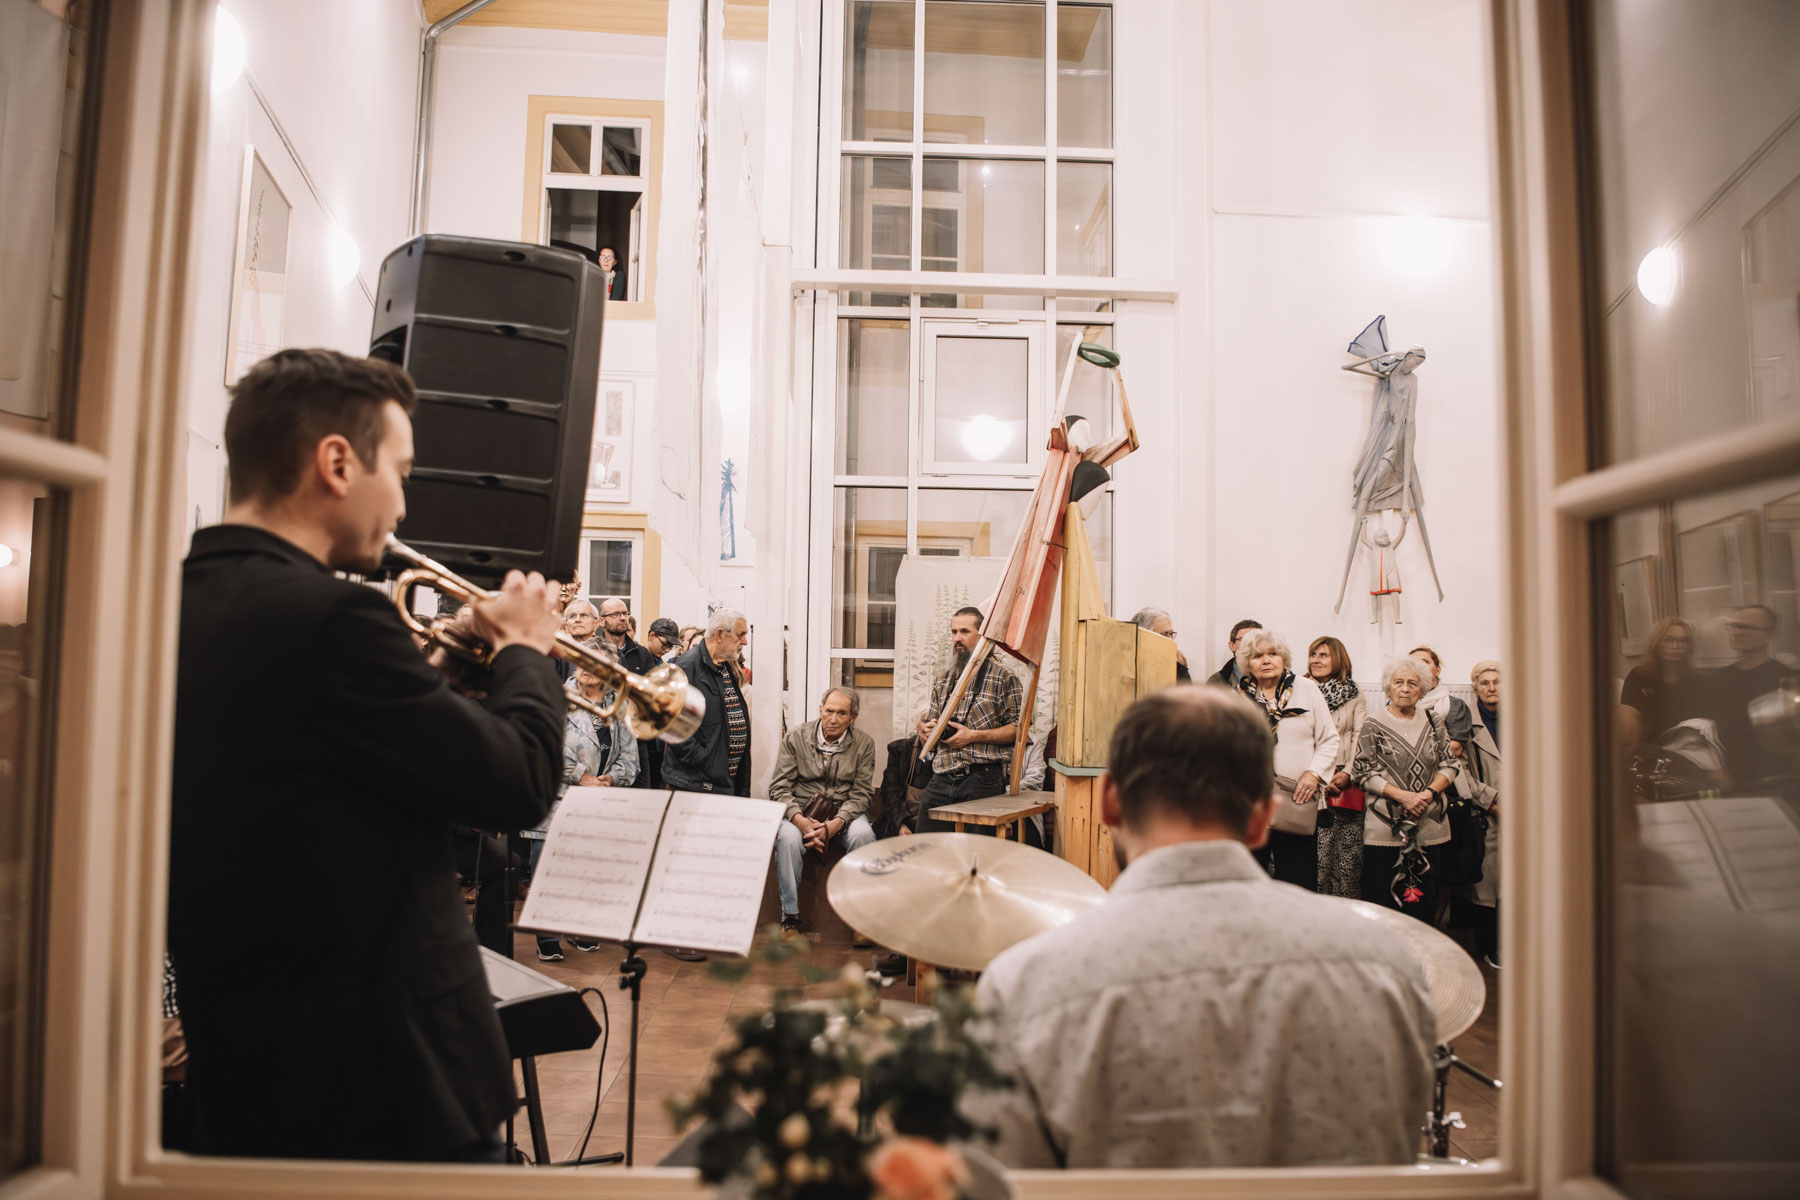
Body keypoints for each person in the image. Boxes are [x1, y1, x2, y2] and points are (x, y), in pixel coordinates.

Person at [169, 348, 565, 1161]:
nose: (403, 504)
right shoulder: (335, 620)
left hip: (248, 1063)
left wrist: (444, 663)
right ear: (338, 463)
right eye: (403, 472)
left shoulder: (177, 601)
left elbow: (338, 756)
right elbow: (520, 780)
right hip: (386, 1082)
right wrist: (526, 650)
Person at [969, 688, 1434, 1169]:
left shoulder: (1027, 986)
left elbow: (996, 1178)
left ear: (1110, 803)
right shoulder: (1385, 966)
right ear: (1262, 819)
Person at [533, 665, 640, 962]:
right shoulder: (556, 697)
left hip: (598, 800)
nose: (587, 670)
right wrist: (581, 776)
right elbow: (543, 750)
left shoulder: (619, 705)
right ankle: (547, 935)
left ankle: (579, 926)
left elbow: (630, 757)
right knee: (550, 869)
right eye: (583, 663)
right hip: (557, 798)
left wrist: (613, 778)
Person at [1353, 656, 1460, 920]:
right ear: (1388, 688)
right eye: (1398, 682)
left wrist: (1427, 794)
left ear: (1422, 689)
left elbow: (1450, 765)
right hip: (1385, 826)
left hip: (1429, 824)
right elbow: (1361, 771)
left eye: (1412, 684)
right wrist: (1402, 796)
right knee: (1382, 899)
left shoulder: (1434, 721)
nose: (1405, 689)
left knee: (1425, 902)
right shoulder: (1373, 723)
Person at [768, 687, 877, 938]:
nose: (833, 719)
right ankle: (789, 919)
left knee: (864, 836)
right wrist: (800, 821)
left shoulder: (864, 744)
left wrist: (837, 823)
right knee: (787, 838)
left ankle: (861, 920)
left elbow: (862, 793)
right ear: (820, 710)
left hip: (844, 810)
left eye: (842, 713)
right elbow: (779, 788)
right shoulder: (796, 737)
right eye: (829, 711)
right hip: (801, 810)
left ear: (853, 717)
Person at [1235, 630, 1339, 890]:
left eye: (1273, 654)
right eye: (1258, 656)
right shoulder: (1238, 697)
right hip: (1252, 801)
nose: (1266, 660)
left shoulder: (1306, 689)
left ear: (1283, 658)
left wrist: (1313, 773)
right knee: (1250, 880)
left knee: (1298, 879)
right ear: (1248, 663)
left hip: (1296, 799)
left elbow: (1329, 739)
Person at [911, 607, 1022, 834]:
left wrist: (973, 736)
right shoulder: (943, 680)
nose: (957, 638)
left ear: (982, 636)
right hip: (942, 776)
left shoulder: (1004, 678)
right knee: (927, 847)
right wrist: (925, 731)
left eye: (964, 631)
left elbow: (1018, 731)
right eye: (954, 632)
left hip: (982, 779)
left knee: (977, 851)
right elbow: (930, 730)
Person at [1307, 635, 1367, 897]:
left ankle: (1347, 912)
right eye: (1313, 655)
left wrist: (1348, 773)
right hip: (1312, 781)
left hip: (1345, 783)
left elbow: (1360, 737)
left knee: (1348, 863)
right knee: (1318, 862)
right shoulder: (1300, 691)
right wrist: (1318, 776)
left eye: (1323, 655)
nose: (1315, 660)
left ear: (1338, 659)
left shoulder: (1355, 695)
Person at [1705, 605, 1791, 786]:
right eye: (1734, 626)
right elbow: (1710, 731)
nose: (1737, 632)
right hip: (1723, 780)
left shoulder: (1785, 680)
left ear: (1768, 635)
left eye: (1746, 627)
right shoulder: (1718, 679)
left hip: (1773, 783)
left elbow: (1782, 744)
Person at [1456, 660, 1502, 968]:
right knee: (1489, 885)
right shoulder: (1467, 724)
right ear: (1475, 689)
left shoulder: (1524, 719)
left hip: (1523, 810)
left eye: (1497, 682)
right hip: (1487, 811)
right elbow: (1462, 771)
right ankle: (1491, 947)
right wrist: (1493, 803)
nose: (1491, 688)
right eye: (1484, 683)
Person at [596, 597, 664, 788]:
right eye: (615, 614)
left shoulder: (642, 653)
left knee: (641, 792)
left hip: (636, 735)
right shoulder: (594, 649)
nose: (622, 618)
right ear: (601, 621)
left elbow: (652, 692)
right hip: (603, 733)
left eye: (625, 613)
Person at [1619, 616, 1705, 747]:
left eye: (1683, 641)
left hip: (1689, 746)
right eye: (1668, 640)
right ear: (1657, 643)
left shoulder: (1698, 680)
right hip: (1648, 746)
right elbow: (1629, 721)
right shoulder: (1638, 677)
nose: (1676, 646)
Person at [1410, 644, 1473, 759]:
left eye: (1425, 661)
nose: (1419, 666)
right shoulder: (1398, 703)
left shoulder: (1454, 705)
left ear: (1437, 670)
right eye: (1413, 663)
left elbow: (1455, 749)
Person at [1130, 605, 1191, 682]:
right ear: (1143, 636)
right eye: (1164, 634)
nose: (1171, 640)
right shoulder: (1125, 665)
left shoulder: (1178, 669)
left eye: (1171, 634)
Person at [1206, 617, 1262, 688]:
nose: (1252, 644)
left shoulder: (1274, 676)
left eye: (1257, 639)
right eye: (1245, 640)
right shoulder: (1216, 682)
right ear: (1232, 646)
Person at [554, 597, 599, 683]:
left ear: (596, 623)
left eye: (584, 615)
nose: (577, 620)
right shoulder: (557, 653)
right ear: (566, 626)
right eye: (573, 616)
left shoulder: (610, 651)